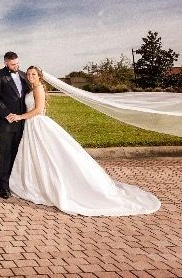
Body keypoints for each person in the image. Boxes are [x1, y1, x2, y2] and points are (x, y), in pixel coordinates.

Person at [8, 66, 161, 216]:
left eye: (33, 74)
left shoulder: (39, 88)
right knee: (38, 156)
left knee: (49, 155)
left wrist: (20, 117)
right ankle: (36, 183)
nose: (30, 77)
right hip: (31, 126)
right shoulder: (32, 88)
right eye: (28, 74)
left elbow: (38, 109)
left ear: (39, 76)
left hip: (38, 124)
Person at [0, 52, 30, 199]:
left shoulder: (25, 76)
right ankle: (2, 185)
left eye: (17, 63)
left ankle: (13, 181)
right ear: (5, 63)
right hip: (6, 121)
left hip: (23, 121)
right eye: (13, 64)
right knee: (5, 152)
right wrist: (6, 114)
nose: (16, 66)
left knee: (17, 152)